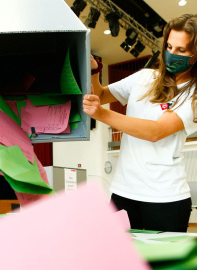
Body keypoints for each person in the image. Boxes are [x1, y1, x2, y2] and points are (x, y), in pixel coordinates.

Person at [83, 14, 197, 232]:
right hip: (123, 193)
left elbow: (156, 131)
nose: (172, 54)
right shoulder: (145, 78)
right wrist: (94, 71)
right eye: (169, 47)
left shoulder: (193, 94)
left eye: (181, 50)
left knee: (158, 266)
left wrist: (103, 115)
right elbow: (101, 95)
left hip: (166, 199)